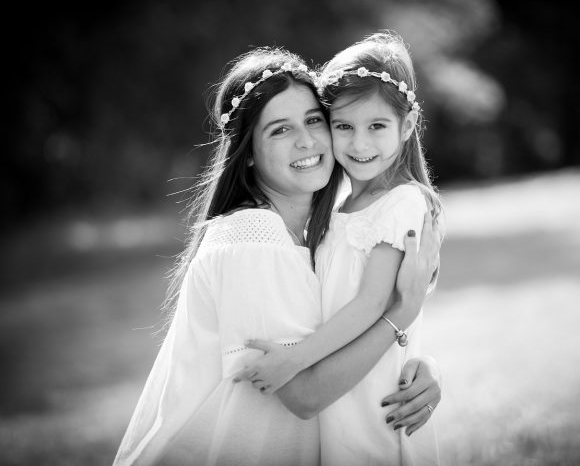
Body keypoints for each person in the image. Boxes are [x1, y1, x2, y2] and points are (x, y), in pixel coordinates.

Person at [113, 47, 442, 466]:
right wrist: (402, 315)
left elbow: (338, 325)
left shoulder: (311, 234)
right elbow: (306, 395)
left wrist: (420, 365)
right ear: (247, 152)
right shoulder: (253, 243)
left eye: (312, 121)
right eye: (279, 130)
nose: (306, 140)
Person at [235, 32, 443, 465]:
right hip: (336, 383)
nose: (360, 144)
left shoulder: (403, 203)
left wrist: (293, 359)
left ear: (407, 125)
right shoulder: (339, 204)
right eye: (343, 127)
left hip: (373, 386)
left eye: (377, 127)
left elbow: (372, 303)